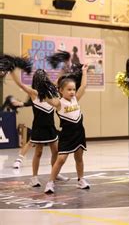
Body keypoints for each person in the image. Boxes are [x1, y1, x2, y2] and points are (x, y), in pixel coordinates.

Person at [9, 69, 69, 186]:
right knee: (38, 152)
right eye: (41, 77)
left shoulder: (51, 90)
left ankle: (55, 174)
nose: (43, 79)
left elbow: (59, 79)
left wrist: (64, 67)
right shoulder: (34, 93)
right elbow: (20, 84)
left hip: (51, 127)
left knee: (55, 151)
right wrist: (12, 72)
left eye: (44, 77)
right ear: (37, 80)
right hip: (39, 127)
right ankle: (34, 177)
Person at [43, 64, 89, 194]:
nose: (72, 92)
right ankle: (51, 182)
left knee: (79, 158)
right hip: (67, 135)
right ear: (61, 91)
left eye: (73, 89)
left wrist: (84, 71)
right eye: (69, 89)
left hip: (79, 132)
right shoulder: (59, 103)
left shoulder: (76, 99)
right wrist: (42, 85)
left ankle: (81, 180)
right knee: (61, 159)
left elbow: (83, 86)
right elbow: (46, 97)